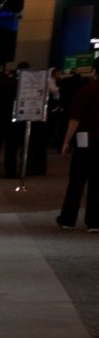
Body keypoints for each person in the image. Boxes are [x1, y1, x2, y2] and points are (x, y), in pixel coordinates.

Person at [59, 72, 99, 231]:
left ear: (95, 72)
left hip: (84, 141)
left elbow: (76, 118)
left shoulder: (85, 91)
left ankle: (68, 219)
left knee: (76, 181)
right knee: (97, 183)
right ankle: (94, 221)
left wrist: (66, 141)